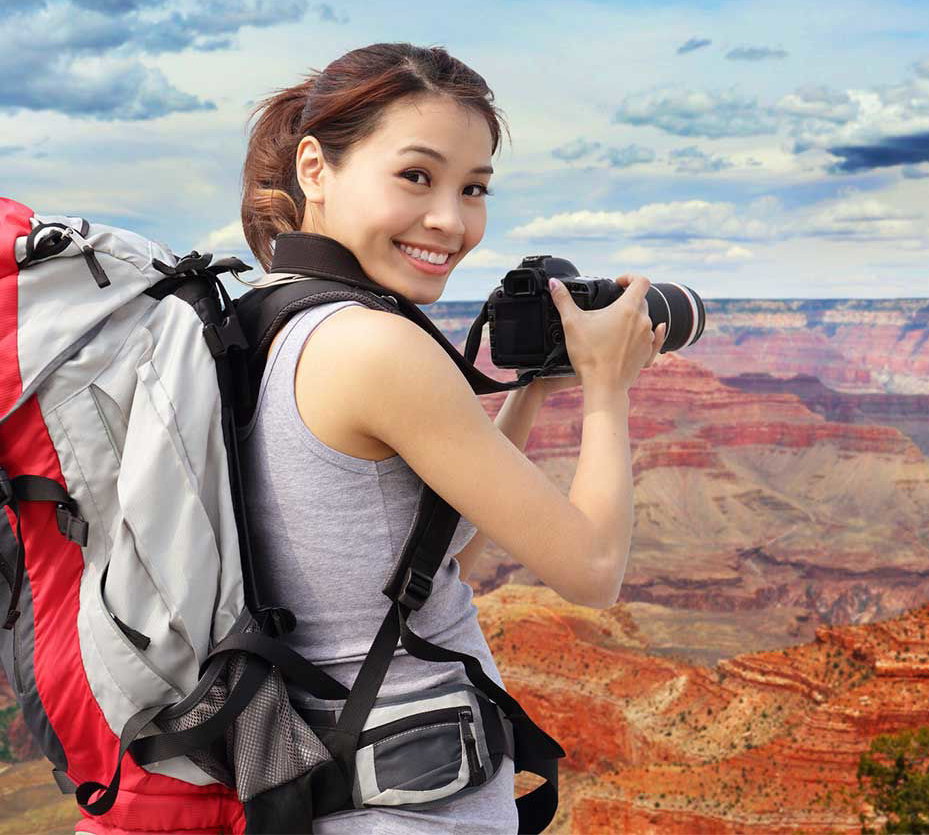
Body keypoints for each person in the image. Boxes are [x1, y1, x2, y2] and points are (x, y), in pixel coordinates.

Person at [236, 42, 667, 833]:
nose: (451, 219)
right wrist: (607, 390)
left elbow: (431, 568)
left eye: (474, 188)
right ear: (314, 168)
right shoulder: (376, 346)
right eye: (416, 176)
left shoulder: (268, 314)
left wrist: (530, 387)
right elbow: (595, 570)